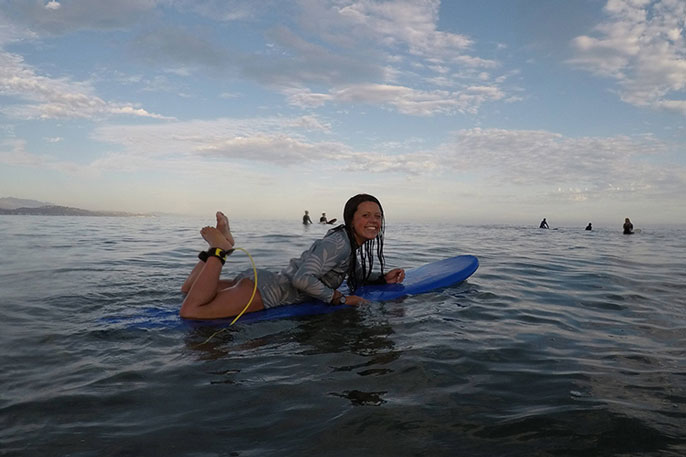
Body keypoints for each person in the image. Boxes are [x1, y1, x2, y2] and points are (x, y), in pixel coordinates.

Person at [180, 194, 406, 320]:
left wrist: (381, 278)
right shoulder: (339, 243)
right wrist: (342, 299)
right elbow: (302, 279)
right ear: (350, 219)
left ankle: (223, 247)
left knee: (188, 291)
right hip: (271, 294)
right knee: (192, 311)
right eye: (366, 215)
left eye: (378, 216)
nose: (373, 220)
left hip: (265, 282)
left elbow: (352, 272)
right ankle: (219, 251)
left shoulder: (346, 242)